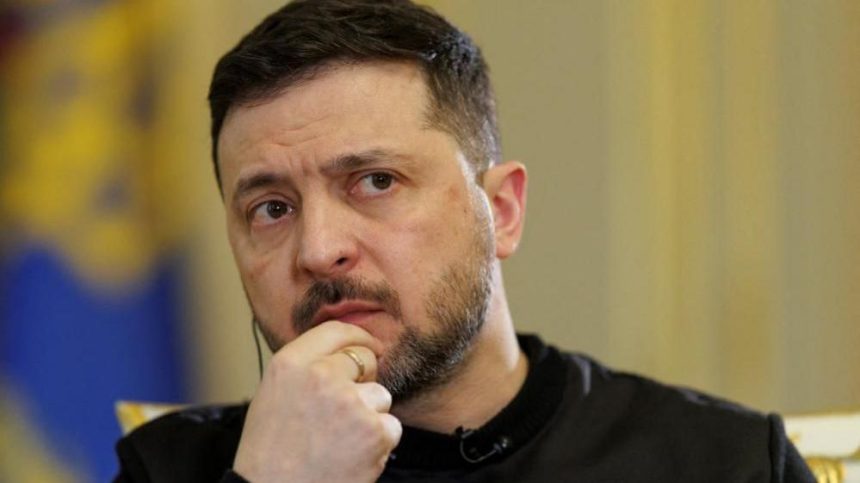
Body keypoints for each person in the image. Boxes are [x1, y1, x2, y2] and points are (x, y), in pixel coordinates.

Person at [114, 1, 815, 481]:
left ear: (501, 211)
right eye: (271, 208)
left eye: (375, 181)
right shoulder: (172, 468)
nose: (319, 249)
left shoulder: (721, 462)